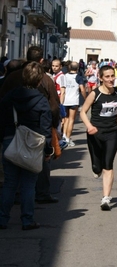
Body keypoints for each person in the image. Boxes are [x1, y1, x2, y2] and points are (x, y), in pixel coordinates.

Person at [0, 46, 60, 204]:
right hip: (36, 132)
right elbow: (54, 106)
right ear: (41, 60)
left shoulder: (12, 78)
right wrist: (53, 126)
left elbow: (2, 103)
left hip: (11, 131)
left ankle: (5, 214)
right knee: (37, 168)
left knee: (10, 178)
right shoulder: (46, 80)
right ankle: (41, 194)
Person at [0, 62, 53, 230]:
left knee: (10, 183)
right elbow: (45, 129)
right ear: (39, 81)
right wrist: (47, 149)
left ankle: (2, 219)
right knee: (29, 184)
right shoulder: (41, 100)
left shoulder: (10, 96)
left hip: (11, 140)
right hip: (32, 144)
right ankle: (27, 220)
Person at [80, 65, 117, 210]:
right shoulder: (95, 94)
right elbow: (83, 112)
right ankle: (96, 168)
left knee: (108, 164)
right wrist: (89, 126)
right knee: (97, 167)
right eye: (107, 77)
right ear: (101, 78)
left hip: (112, 133)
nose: (111, 79)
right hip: (95, 133)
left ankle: (106, 198)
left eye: (112, 76)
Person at [63, 61, 86, 147]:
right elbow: (82, 89)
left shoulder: (64, 76)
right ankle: (68, 139)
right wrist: (85, 98)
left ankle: (64, 136)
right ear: (77, 68)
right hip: (73, 100)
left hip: (65, 100)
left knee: (66, 119)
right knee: (71, 120)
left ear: (69, 68)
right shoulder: (78, 77)